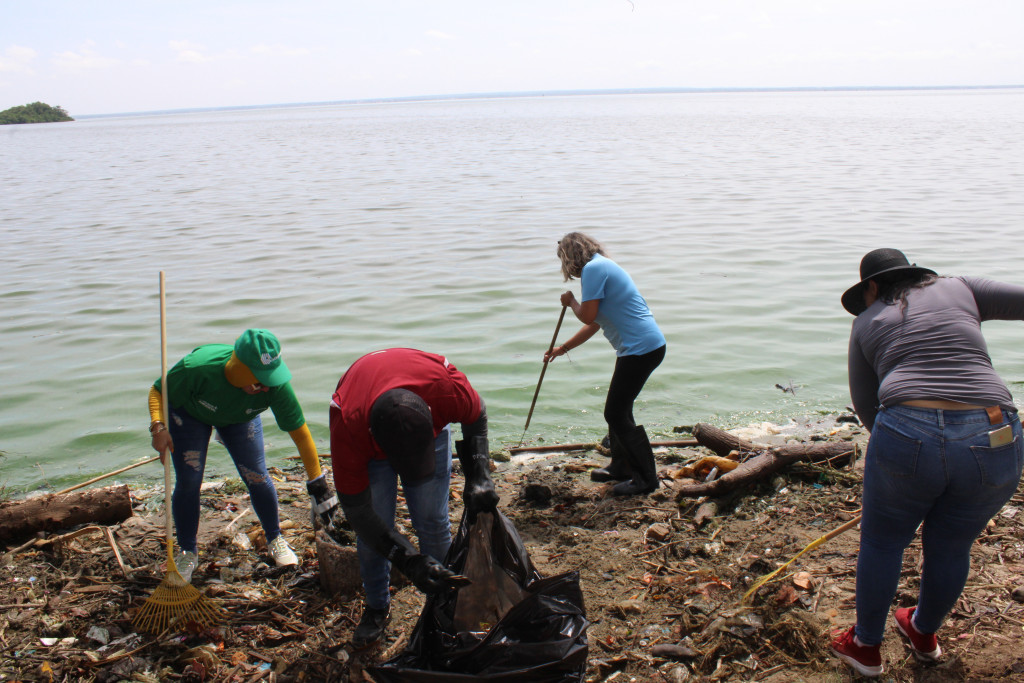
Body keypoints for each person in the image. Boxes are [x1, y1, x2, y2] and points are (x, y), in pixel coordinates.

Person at [830, 248, 1024, 677]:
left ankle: (865, 647)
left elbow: (867, 409)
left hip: (908, 425)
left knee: (883, 543)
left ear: (873, 287)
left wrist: (905, 452)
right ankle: (922, 632)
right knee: (953, 544)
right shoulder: (961, 288)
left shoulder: (865, 321)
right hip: (996, 429)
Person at [329, 348, 500, 648]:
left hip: (423, 425)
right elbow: (358, 512)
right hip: (371, 439)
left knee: (433, 520)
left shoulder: (445, 390)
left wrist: (480, 475)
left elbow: (477, 413)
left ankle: (446, 603)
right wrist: (407, 560)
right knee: (376, 528)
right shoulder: (348, 424)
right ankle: (377, 607)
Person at [148, 328, 340, 583]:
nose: (266, 388)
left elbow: (300, 432)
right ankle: (187, 552)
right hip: (190, 413)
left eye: (271, 379)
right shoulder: (197, 367)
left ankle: (275, 538)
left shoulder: (273, 386)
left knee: (257, 476)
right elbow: (157, 390)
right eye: (259, 381)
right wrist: (158, 427)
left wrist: (317, 482)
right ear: (239, 369)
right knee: (189, 482)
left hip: (240, 418)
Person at [544, 232, 667, 496]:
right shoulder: (601, 266)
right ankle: (621, 466)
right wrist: (563, 348)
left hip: (641, 349)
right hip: (641, 348)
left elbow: (586, 314)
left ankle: (646, 479)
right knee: (620, 410)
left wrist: (571, 302)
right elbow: (595, 322)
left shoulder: (593, 269)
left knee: (615, 413)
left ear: (569, 256)